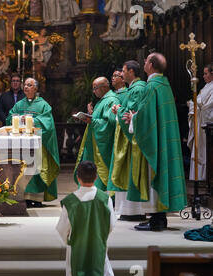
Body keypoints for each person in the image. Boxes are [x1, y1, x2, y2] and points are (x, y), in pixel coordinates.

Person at [122, 52, 187, 231]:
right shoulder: (164, 85)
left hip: (155, 140)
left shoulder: (151, 87)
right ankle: (159, 218)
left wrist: (133, 118)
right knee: (162, 172)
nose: (143, 62)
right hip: (164, 137)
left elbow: (145, 115)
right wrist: (137, 117)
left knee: (155, 173)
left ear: (151, 64)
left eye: (145, 60)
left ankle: (156, 220)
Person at [56, 160, 119, 276]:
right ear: (96, 177)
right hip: (98, 243)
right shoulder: (105, 198)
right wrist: (100, 236)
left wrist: (71, 240)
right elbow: (111, 224)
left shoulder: (70, 202)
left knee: (77, 275)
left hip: (77, 246)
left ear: (78, 177)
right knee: (102, 273)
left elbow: (62, 228)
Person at [5, 78, 60, 208]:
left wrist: (32, 120)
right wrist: (17, 118)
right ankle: (25, 197)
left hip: (38, 145)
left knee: (37, 170)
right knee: (24, 170)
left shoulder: (43, 105)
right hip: (22, 144)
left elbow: (48, 122)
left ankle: (37, 199)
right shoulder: (19, 104)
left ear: (35, 88)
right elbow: (9, 117)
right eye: (25, 85)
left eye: (29, 85)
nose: (26, 87)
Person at [109, 60, 148, 221]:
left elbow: (130, 114)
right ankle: (128, 210)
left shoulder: (137, 89)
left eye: (123, 71)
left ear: (131, 72)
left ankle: (134, 211)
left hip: (133, 140)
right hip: (129, 138)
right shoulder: (134, 88)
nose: (122, 74)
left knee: (131, 172)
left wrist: (119, 110)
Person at [75, 77, 118, 191]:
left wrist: (92, 120)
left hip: (101, 146)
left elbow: (110, 123)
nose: (94, 91)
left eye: (95, 88)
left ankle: (100, 194)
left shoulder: (111, 100)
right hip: (94, 142)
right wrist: (91, 115)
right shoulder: (103, 100)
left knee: (100, 171)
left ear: (104, 87)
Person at [187, 63, 213, 181]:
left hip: (205, 124)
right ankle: (197, 176)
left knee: (204, 150)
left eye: (205, 73)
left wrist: (194, 105)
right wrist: (193, 104)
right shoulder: (206, 86)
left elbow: (207, 107)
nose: (203, 76)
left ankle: (204, 177)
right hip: (199, 122)